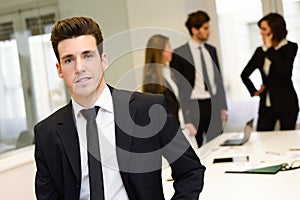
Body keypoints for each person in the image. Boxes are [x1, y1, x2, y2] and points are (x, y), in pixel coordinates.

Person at [34, 16, 205, 200]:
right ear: (59, 69)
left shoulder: (148, 110)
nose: (80, 67)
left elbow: (190, 171)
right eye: (69, 60)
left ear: (103, 60)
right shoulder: (47, 134)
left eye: (88, 56)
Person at [170, 10, 228, 147]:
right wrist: (185, 114)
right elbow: (179, 88)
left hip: (213, 104)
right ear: (194, 30)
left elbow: (218, 81)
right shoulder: (179, 54)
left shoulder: (211, 50)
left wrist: (223, 106)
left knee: (217, 146)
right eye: (205, 28)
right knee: (198, 148)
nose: (209, 31)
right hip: (194, 106)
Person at [241, 13, 299, 131]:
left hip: (287, 104)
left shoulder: (290, 47)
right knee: (263, 138)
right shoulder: (260, 51)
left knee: (286, 141)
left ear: (274, 30)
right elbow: (244, 74)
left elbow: (284, 72)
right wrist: (254, 91)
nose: (261, 32)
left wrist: (270, 49)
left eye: (264, 29)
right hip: (267, 105)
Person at [142, 34, 198, 148]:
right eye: (168, 47)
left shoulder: (169, 73)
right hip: (170, 136)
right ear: (160, 51)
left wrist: (186, 123)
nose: (171, 50)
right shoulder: (152, 80)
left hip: (181, 130)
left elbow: (177, 104)